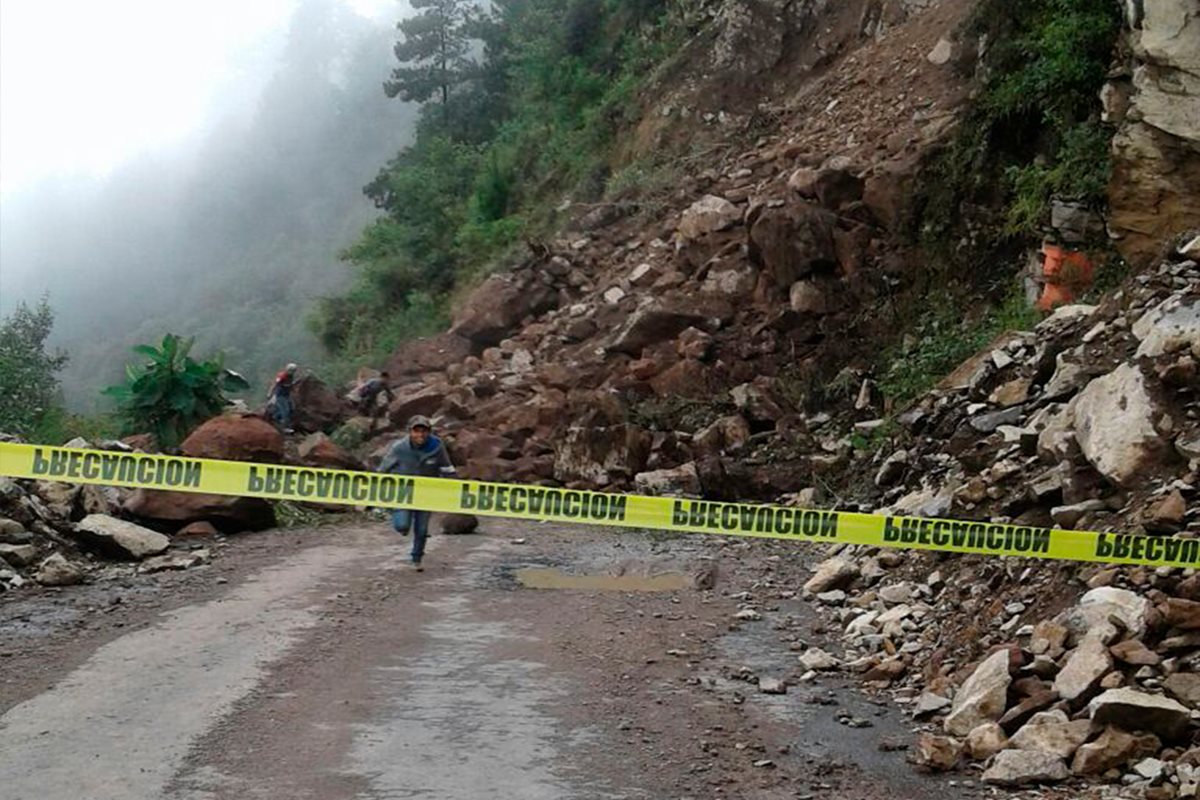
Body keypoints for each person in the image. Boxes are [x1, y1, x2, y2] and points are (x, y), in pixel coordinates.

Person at [377, 415, 457, 571]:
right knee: (402, 526)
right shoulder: (399, 448)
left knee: (421, 529)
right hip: (403, 492)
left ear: (429, 432)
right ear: (410, 432)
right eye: (416, 431)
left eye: (424, 431)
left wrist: (456, 488)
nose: (420, 435)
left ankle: (417, 557)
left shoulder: (437, 446)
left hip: (425, 493)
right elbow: (383, 469)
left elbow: (447, 468)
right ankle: (393, 511)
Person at [268, 363, 298, 434]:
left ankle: (275, 418)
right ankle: (284, 428)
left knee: (291, 409)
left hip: (286, 395)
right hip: (280, 395)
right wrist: (270, 393)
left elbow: (290, 385)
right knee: (285, 411)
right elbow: (275, 384)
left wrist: (293, 391)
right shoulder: (282, 376)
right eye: (291, 370)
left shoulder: (291, 376)